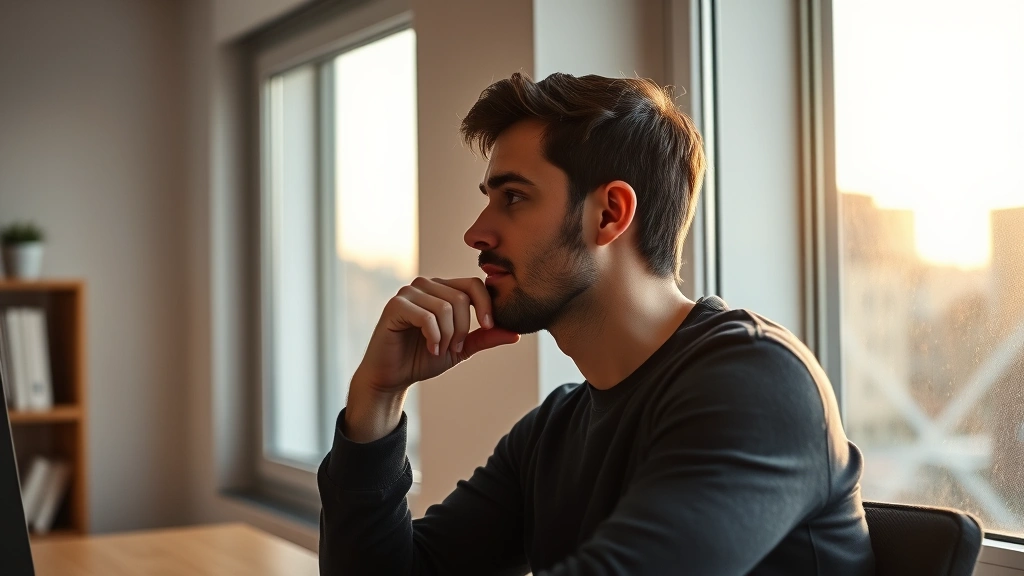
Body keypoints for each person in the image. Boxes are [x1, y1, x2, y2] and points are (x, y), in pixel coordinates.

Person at [317, 72, 874, 575]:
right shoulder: (551, 433)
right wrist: (378, 400)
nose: (476, 233)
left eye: (513, 197)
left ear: (610, 214)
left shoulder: (759, 384)